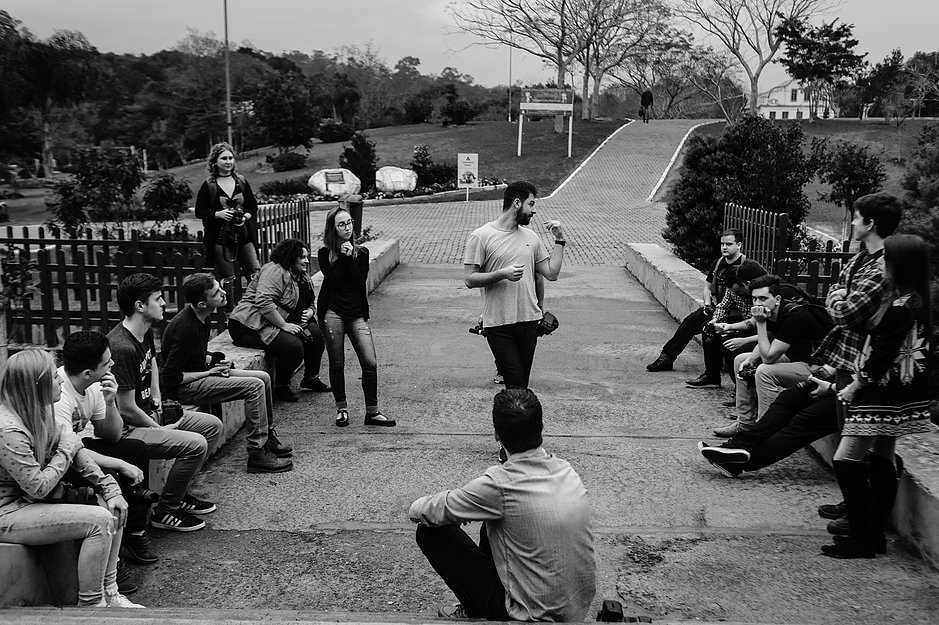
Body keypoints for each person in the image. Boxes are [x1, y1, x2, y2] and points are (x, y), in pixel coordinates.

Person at [410, 388, 596, 621]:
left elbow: (419, 511)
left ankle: (475, 610)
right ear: (542, 427)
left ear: (496, 435)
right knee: (493, 521)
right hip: (576, 608)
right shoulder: (567, 470)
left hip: (530, 615)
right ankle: (481, 603)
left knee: (430, 532)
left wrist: (456, 512)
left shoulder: (500, 484)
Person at [0, 349, 143, 608]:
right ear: (38, 385)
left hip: (27, 503)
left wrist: (110, 488)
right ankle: (92, 607)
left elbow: (76, 450)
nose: (60, 380)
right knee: (99, 521)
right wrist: (65, 450)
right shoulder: (8, 429)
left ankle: (111, 593)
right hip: (7, 513)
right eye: (54, 377)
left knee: (112, 506)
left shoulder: (39, 411)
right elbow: (39, 486)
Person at [823, 234, 934, 559]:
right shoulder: (913, 302)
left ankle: (863, 536)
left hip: (880, 396)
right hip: (898, 397)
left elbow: (882, 355)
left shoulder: (901, 308)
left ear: (899, 264)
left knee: (845, 460)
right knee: (883, 458)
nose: (881, 262)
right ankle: (873, 534)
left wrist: (854, 385)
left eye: (886, 258)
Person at [108, 273, 222, 533]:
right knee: (196, 444)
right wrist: (158, 428)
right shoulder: (121, 347)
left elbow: (153, 362)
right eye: (158, 299)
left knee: (212, 426)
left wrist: (157, 397)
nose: (164, 304)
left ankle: (178, 494)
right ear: (140, 305)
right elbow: (126, 408)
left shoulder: (144, 331)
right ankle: (166, 510)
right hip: (129, 430)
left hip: (150, 413)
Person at [161, 273, 293, 474]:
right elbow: (170, 377)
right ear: (202, 303)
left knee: (263, 378)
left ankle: (266, 438)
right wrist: (208, 373)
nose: (223, 293)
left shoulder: (202, 317)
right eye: (216, 292)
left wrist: (214, 360)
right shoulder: (185, 327)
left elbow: (193, 354)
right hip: (184, 388)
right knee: (254, 386)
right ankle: (256, 453)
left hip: (201, 373)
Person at [55, 331, 158, 569]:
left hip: (79, 446)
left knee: (136, 449)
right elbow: (69, 451)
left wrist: (111, 402)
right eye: (107, 362)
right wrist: (119, 464)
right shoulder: (59, 396)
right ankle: (113, 556)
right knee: (113, 473)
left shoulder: (95, 384)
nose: (112, 364)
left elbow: (111, 435)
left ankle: (134, 531)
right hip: (60, 460)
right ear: (87, 373)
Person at [463, 181, 566, 389]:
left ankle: (513, 409)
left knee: (520, 386)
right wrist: (502, 274)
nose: (533, 211)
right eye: (531, 204)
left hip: (529, 322)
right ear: (517, 203)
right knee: (516, 384)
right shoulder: (481, 236)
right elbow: (469, 279)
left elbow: (551, 274)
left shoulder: (532, 238)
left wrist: (560, 240)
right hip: (498, 323)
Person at [711, 275, 829, 437]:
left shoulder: (794, 317)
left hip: (819, 368)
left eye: (763, 298)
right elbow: (767, 341)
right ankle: (745, 424)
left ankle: (764, 429)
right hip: (796, 359)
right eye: (754, 299)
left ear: (777, 299)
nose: (758, 303)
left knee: (764, 371)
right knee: (741, 360)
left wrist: (761, 323)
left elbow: (768, 358)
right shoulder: (773, 311)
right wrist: (750, 359)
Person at [646, 229, 755, 385]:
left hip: (741, 315)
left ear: (739, 245)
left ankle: (716, 373)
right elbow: (707, 288)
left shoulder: (748, 267)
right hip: (720, 308)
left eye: (729, 244)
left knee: (710, 330)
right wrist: (708, 305)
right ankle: (666, 358)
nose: (724, 247)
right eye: (722, 244)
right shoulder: (718, 263)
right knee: (692, 321)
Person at [229, 238, 330, 403]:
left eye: (307, 256)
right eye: (302, 257)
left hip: (279, 321)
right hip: (250, 325)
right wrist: (284, 325)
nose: (307, 261)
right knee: (293, 346)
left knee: (315, 334)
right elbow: (263, 301)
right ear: (291, 257)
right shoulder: (275, 271)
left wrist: (311, 311)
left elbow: (311, 300)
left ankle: (311, 378)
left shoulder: (301, 275)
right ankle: (281, 386)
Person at [318, 207, 392, 427]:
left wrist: (350, 257)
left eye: (349, 223)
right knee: (337, 363)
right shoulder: (324, 254)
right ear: (333, 229)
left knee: (370, 362)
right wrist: (342, 257)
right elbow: (333, 281)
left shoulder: (362, 252)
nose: (347, 228)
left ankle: (372, 412)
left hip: (356, 313)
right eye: (341, 224)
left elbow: (358, 281)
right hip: (333, 312)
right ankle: (341, 409)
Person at [194, 142, 261, 304]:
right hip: (220, 239)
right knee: (228, 278)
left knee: (256, 274)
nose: (228, 161)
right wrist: (218, 214)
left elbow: (252, 206)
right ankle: (229, 310)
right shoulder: (209, 185)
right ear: (215, 161)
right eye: (224, 158)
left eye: (230, 158)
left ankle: (257, 307)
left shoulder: (241, 181)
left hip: (243, 235)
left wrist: (245, 217)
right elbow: (199, 211)